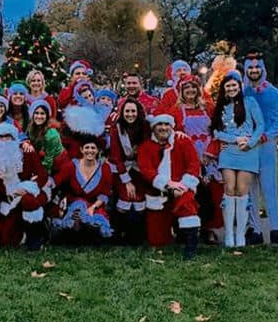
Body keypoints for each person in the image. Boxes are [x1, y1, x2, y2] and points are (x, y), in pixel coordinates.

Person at [209, 71, 264, 248]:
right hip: (228, 151)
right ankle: (229, 234)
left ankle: (240, 234)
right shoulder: (221, 107)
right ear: (224, 89)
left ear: (239, 86)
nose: (231, 88)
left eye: (234, 85)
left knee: (242, 190)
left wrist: (250, 142)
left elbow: (260, 125)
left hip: (248, 151)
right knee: (229, 188)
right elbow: (216, 131)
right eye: (228, 86)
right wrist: (234, 139)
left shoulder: (250, 102)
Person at [137, 111, 202, 259]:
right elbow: (147, 171)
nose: (163, 127)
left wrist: (183, 186)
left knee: (186, 205)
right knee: (157, 240)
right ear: (153, 127)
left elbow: (193, 165)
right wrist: (167, 185)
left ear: (172, 126)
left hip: (182, 188)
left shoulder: (183, 141)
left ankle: (190, 245)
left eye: (167, 124)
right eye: (159, 124)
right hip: (158, 193)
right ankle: (172, 232)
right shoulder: (146, 147)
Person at [0, 123, 50, 250]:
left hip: (32, 196)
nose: (5, 140)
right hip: (9, 201)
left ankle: (36, 235)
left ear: (14, 138)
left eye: (8, 137)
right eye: (1, 137)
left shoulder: (27, 153)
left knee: (28, 200)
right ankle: (22, 230)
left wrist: (26, 188)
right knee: (7, 240)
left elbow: (42, 176)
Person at [170, 74, 222, 245]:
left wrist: (209, 153)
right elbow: (173, 136)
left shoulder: (209, 108)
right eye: (186, 88)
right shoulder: (176, 111)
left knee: (211, 192)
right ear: (181, 91)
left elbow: (217, 131)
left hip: (208, 156)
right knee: (189, 193)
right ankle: (187, 229)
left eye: (193, 87)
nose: (190, 91)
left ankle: (209, 229)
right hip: (187, 157)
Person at [242, 53, 278, 246]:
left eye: (257, 67)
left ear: (262, 69)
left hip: (266, 145)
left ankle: (275, 229)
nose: (254, 71)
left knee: (269, 187)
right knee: (251, 190)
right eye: (250, 68)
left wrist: (264, 136)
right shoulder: (243, 93)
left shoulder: (274, 93)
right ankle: (256, 229)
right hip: (248, 147)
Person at [51, 135, 114, 242]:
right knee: (78, 208)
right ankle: (74, 231)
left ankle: (87, 233)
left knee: (96, 222)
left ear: (98, 150)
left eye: (93, 148)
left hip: (94, 205)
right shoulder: (71, 165)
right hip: (74, 204)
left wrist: (92, 208)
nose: (90, 151)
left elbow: (104, 193)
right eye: (87, 147)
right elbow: (56, 181)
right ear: (81, 149)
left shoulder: (105, 168)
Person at [107, 97, 148, 245]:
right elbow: (116, 156)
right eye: (127, 111)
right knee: (125, 196)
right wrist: (127, 181)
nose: (130, 114)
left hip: (140, 169)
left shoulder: (145, 128)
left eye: (133, 111)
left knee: (139, 198)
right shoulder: (116, 128)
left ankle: (137, 236)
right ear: (122, 112)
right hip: (121, 169)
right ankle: (118, 234)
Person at [25, 100, 64, 173]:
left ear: (47, 116)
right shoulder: (31, 128)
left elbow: (48, 160)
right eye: (36, 113)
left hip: (57, 164)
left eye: (42, 114)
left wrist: (38, 173)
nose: (39, 116)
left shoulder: (51, 135)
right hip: (42, 158)